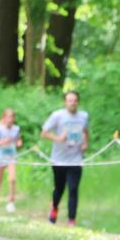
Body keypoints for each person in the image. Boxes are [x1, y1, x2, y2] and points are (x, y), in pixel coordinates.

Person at [41, 90, 89, 227]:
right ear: (65, 102)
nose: (72, 103)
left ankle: (71, 220)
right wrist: (58, 138)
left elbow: (86, 132)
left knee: (73, 188)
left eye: (75, 100)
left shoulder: (83, 116)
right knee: (59, 188)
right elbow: (44, 133)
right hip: (59, 159)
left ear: (78, 102)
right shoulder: (57, 115)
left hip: (76, 159)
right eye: (70, 100)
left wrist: (85, 143)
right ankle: (54, 207)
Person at [0, 108, 22, 213]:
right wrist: (2, 142)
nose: (10, 119)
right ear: (4, 118)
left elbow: (18, 140)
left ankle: (11, 202)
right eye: (8, 117)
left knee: (12, 179)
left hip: (11, 157)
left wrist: (18, 143)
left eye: (12, 117)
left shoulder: (16, 129)